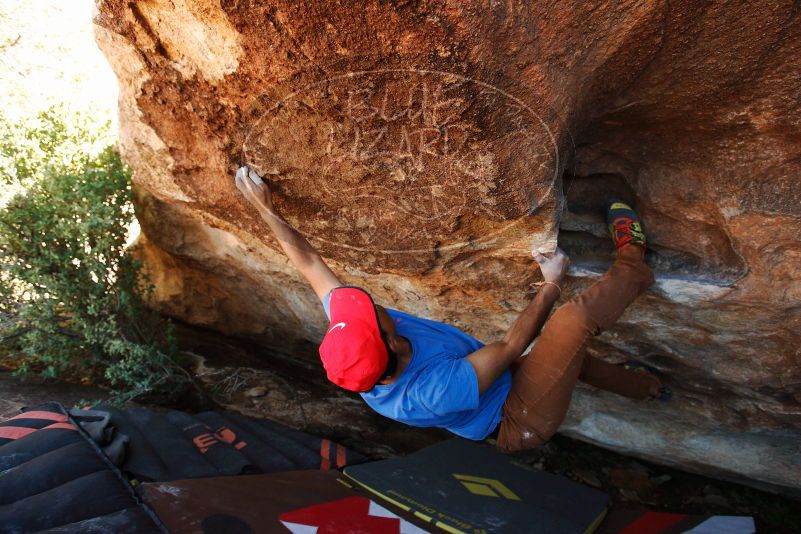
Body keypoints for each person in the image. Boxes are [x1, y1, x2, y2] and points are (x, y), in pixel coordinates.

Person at [234, 166, 666, 452]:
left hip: (504, 384)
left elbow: (308, 263)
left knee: (570, 359)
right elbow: (513, 345)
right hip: (520, 417)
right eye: (372, 315)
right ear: (391, 344)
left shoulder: (356, 340)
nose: (363, 301)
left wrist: (264, 209)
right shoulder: (430, 393)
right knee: (571, 324)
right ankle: (634, 262)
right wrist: (551, 283)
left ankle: (647, 388)